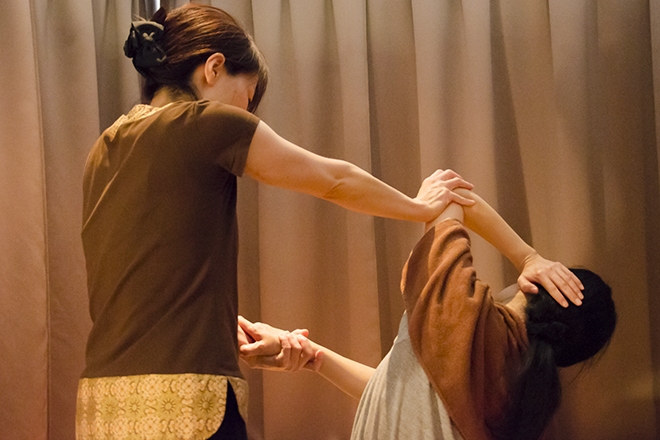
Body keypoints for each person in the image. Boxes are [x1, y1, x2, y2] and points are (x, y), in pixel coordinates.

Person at [75, 4, 476, 440]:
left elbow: (137, 273)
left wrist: (216, 321)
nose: (248, 113)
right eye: (247, 98)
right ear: (213, 67)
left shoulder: (104, 149)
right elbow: (333, 180)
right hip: (186, 403)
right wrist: (418, 206)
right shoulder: (206, 124)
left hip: (103, 408)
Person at [239, 188, 617, 440]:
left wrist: (528, 256)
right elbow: (405, 395)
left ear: (538, 285)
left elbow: (449, 192)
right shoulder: (527, 390)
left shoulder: (464, 313)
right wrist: (314, 358)